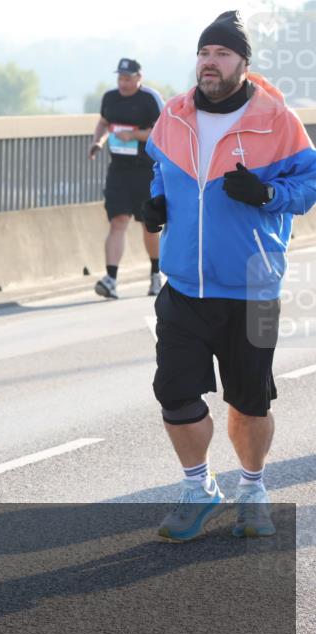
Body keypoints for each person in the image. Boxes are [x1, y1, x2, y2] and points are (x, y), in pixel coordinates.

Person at [143, 10, 316, 541]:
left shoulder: (277, 121)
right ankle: (198, 488)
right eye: (203, 53)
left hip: (255, 290)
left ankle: (253, 488)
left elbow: (308, 187)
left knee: (250, 402)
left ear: (243, 62)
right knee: (174, 395)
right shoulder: (172, 115)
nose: (209, 63)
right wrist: (154, 200)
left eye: (220, 53)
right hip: (184, 288)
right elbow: (158, 169)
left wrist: (268, 195)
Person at [88, 58, 165, 298]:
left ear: (138, 78)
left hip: (145, 170)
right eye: (120, 78)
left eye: (127, 78)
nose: (122, 83)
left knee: (148, 225)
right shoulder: (110, 98)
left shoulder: (149, 99)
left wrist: (134, 134)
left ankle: (155, 274)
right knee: (117, 221)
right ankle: (110, 279)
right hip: (119, 170)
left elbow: (160, 132)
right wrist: (97, 142)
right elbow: (103, 123)